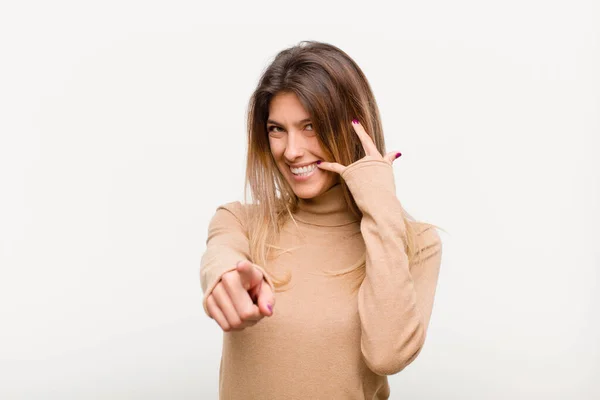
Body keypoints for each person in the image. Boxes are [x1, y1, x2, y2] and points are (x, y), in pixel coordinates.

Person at [199, 40, 444, 400]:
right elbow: (221, 256)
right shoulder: (240, 221)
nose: (292, 150)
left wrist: (379, 203)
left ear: (352, 126)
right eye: (276, 129)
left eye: (311, 126)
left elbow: (387, 354)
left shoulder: (417, 243)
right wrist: (226, 278)